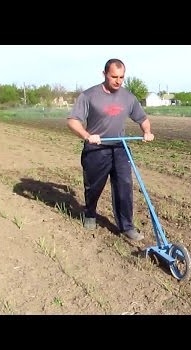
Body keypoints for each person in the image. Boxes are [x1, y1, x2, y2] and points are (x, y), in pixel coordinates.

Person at [67, 58, 154, 243]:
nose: (118, 81)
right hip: (96, 148)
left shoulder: (128, 97)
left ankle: (127, 226)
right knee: (93, 186)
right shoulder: (89, 95)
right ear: (104, 74)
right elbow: (73, 121)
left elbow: (142, 118)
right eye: (114, 76)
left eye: (121, 77)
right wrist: (87, 135)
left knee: (124, 186)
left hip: (120, 148)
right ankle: (90, 214)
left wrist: (147, 131)